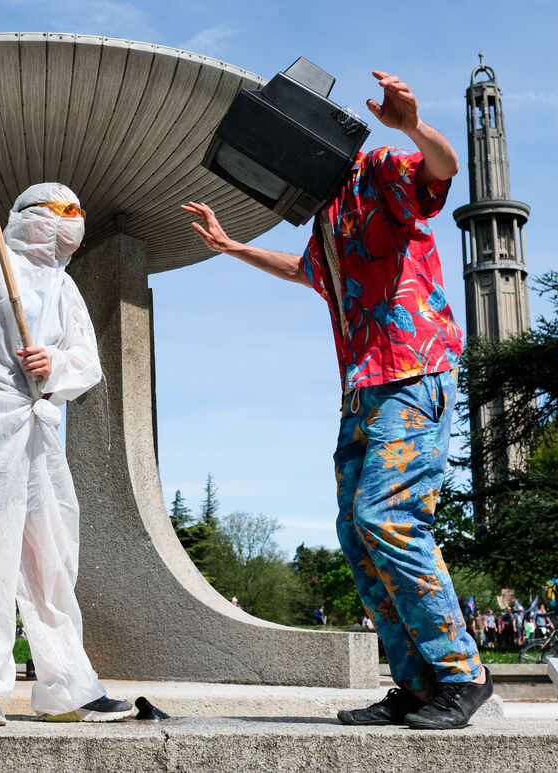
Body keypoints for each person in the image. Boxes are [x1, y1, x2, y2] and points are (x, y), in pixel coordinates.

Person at [182, 70, 490, 730]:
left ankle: (463, 674)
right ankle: (417, 687)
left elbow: (442, 170)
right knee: (357, 532)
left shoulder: (377, 171)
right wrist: (232, 247)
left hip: (413, 372)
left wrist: (412, 125)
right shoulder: (324, 215)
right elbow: (308, 272)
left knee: (388, 516)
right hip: (361, 390)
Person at [0, 70, 134, 727]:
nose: (71, 221)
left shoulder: (65, 287)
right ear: (27, 215)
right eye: (58, 210)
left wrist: (53, 364)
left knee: (50, 556)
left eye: (77, 212)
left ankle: (67, 683)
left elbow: (86, 363)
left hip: (39, 429)